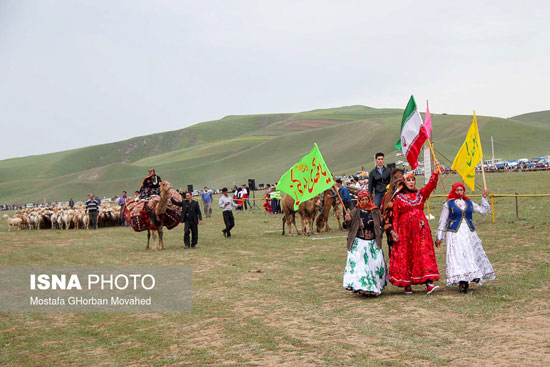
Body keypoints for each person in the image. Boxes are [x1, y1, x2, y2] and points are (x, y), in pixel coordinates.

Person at [435, 184, 495, 293]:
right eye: (457, 190)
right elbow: (443, 221)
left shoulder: (469, 203)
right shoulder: (448, 204)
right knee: (458, 255)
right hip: (454, 233)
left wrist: (484, 198)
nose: (459, 192)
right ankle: (462, 281)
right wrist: (439, 236)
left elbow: (482, 211)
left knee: (469, 253)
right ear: (453, 191)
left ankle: (472, 274)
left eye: (461, 190)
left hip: (468, 232)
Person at [389, 169, 440, 295]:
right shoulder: (398, 198)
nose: (411, 182)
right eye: (409, 180)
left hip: (421, 230)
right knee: (406, 255)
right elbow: (395, 216)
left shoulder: (420, 194)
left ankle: (428, 283)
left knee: (424, 253)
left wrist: (435, 173)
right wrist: (394, 232)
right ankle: (407, 284)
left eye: (413, 180)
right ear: (404, 182)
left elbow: (430, 185)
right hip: (405, 231)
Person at [342, 190, 388, 296]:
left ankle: (374, 287)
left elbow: (382, 223)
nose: (364, 201)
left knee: (375, 265)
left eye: (366, 199)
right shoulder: (355, 211)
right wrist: (347, 220)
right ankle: (362, 287)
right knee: (361, 267)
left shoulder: (375, 211)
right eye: (362, 200)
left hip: (372, 243)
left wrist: (381, 228)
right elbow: (346, 226)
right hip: (359, 243)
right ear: (359, 200)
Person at [380, 168, 404, 258]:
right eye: (396, 177)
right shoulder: (373, 173)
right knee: (377, 208)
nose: (399, 180)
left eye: (400, 177)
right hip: (380, 191)